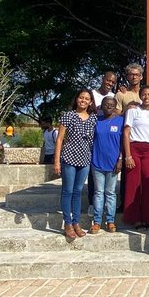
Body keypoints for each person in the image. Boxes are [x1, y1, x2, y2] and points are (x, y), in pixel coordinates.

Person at [54, 91, 95, 240]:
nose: (83, 100)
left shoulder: (93, 119)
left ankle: (76, 222)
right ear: (77, 99)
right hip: (69, 157)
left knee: (78, 191)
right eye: (81, 97)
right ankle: (68, 223)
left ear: (90, 102)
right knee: (67, 191)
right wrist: (57, 161)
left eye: (87, 99)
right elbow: (59, 139)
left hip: (85, 159)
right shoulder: (68, 116)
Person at [123, 85, 149, 228]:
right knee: (134, 184)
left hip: (148, 151)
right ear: (140, 96)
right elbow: (126, 133)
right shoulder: (133, 111)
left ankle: (147, 218)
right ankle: (133, 218)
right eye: (144, 94)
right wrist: (128, 156)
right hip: (134, 149)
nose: (146, 97)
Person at [88, 98, 124, 233]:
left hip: (113, 164)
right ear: (101, 106)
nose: (108, 106)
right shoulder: (96, 120)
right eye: (106, 104)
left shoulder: (120, 121)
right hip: (97, 162)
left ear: (115, 106)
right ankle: (97, 221)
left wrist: (120, 159)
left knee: (110, 193)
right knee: (98, 193)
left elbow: (123, 142)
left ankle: (110, 221)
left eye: (111, 105)